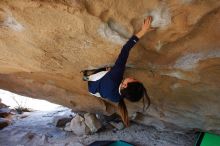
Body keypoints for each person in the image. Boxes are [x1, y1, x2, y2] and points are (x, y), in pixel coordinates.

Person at [84, 16, 152, 127]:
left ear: (124, 85)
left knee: (105, 71)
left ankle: (87, 75)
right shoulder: (118, 97)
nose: (133, 78)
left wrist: (143, 31)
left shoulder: (116, 75)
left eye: (133, 80)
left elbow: (125, 49)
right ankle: (92, 76)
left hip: (92, 81)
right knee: (107, 75)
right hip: (93, 90)